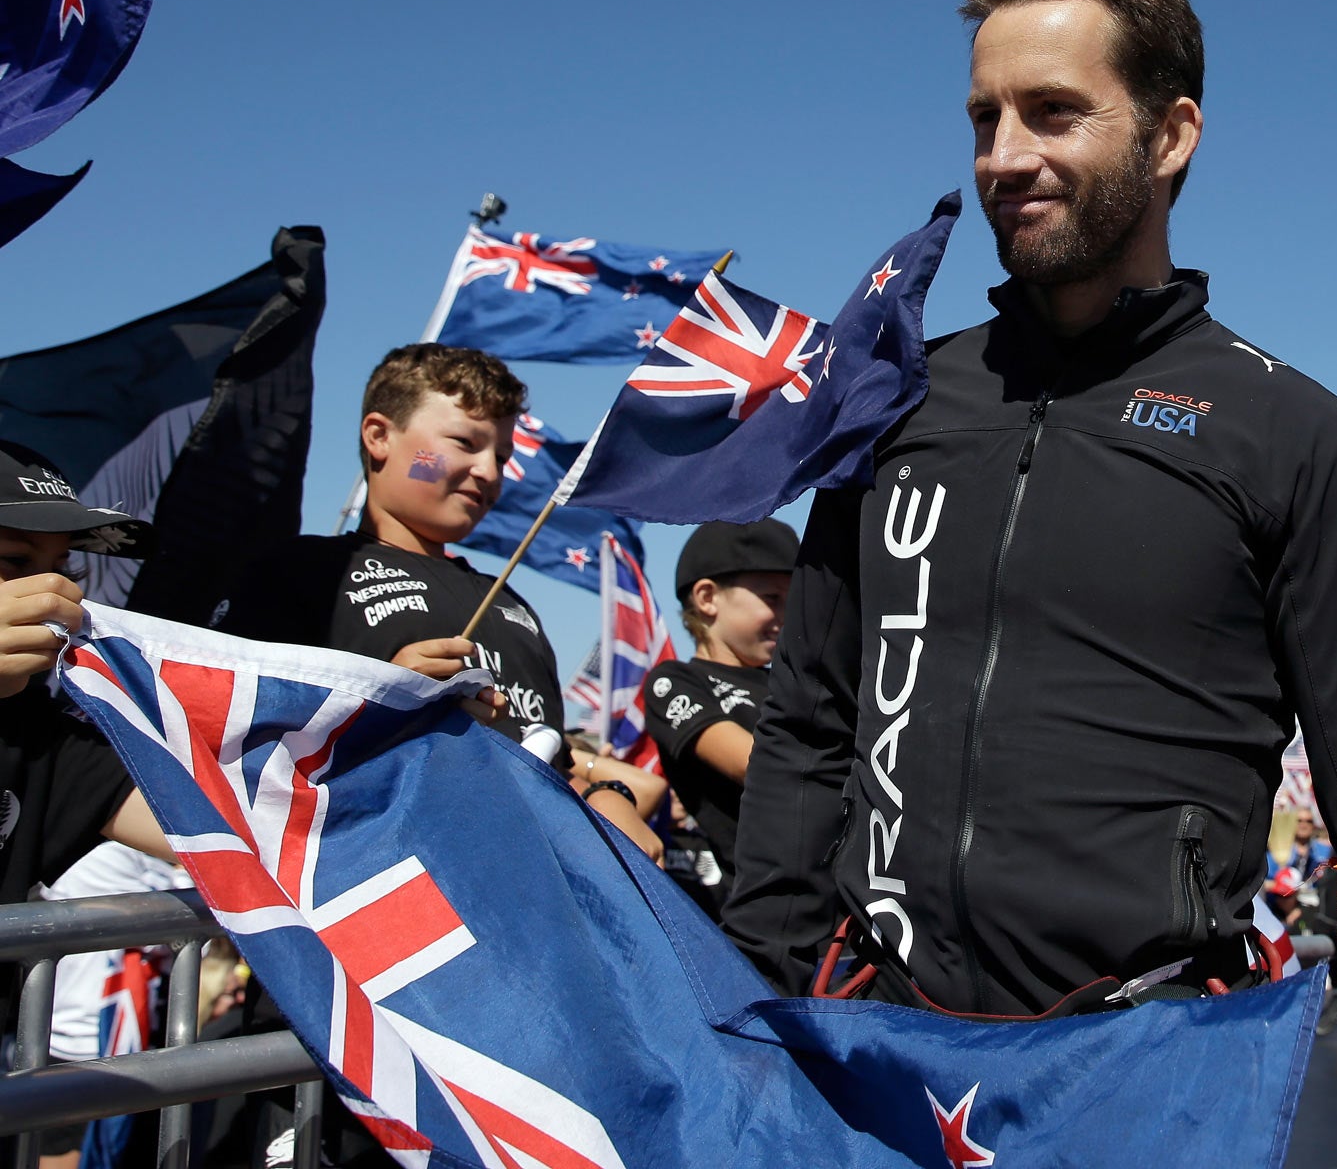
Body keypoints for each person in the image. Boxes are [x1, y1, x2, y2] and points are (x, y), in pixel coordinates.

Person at [725, 0, 1337, 1154]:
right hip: (876, 1063)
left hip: (1150, 1077)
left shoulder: (1295, 435)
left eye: (1053, 113)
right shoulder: (895, 403)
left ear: (1170, 135)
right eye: (983, 118)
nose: (1003, 158)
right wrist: (746, 1021)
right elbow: (810, 729)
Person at [210, 344, 654, 855]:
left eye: (502, 456)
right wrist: (381, 707)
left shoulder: (513, 607)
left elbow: (550, 763)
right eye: (465, 442)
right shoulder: (297, 573)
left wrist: (606, 793)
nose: (490, 471)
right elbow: (223, 745)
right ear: (379, 436)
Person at [0, 441, 171, 906]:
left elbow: (219, 830)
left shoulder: (41, 733)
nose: (56, 592)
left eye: (63, 568)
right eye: (15, 561)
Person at [642, 519, 797, 916]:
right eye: (773, 598)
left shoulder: (794, 683)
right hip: (765, 910)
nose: (789, 615)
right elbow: (761, 766)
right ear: (708, 597)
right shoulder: (674, 682)